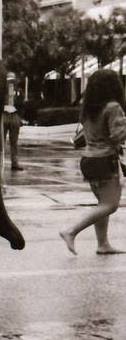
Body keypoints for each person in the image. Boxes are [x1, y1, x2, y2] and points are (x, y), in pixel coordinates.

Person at [60, 69, 126, 256]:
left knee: (102, 202)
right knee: (110, 205)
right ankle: (71, 231)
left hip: (89, 159)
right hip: (105, 159)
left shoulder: (88, 108)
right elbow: (117, 136)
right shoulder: (113, 107)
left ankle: (103, 244)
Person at [3, 78, 24, 171]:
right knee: (0, 141)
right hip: (4, 114)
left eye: (12, 81)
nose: (11, 83)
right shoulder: (1, 91)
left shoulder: (18, 92)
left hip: (14, 114)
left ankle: (15, 163)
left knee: (14, 142)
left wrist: (19, 116)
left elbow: (21, 104)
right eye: (9, 81)